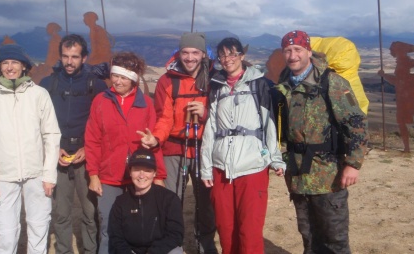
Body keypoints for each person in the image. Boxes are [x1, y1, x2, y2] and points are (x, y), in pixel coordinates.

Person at [276, 30, 368, 254]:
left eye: (298, 49)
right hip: (297, 174)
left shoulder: (331, 81)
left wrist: (353, 164)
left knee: (334, 238)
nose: (292, 55)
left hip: (328, 175)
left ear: (308, 51)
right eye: (287, 51)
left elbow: (355, 122)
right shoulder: (284, 82)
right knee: (308, 236)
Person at [200, 37, 286, 254]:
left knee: (249, 229)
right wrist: (205, 166)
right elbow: (211, 129)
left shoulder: (260, 84)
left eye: (232, 54)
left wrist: (275, 158)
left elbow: (269, 125)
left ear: (242, 55)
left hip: (252, 166)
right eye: (222, 55)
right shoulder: (217, 86)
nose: (227, 59)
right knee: (226, 229)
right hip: (221, 168)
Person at [0, 44, 61, 253]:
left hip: (37, 173)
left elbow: (51, 135)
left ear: (24, 66)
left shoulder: (39, 95)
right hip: (4, 175)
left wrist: (49, 174)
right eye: (5, 63)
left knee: (39, 226)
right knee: (6, 232)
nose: (10, 67)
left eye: (14, 62)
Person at [138, 32, 218, 254]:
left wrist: (206, 112)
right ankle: (173, 247)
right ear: (179, 53)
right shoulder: (168, 80)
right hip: (174, 148)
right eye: (185, 52)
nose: (190, 57)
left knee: (206, 205)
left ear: (203, 54)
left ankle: (206, 247)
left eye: (195, 52)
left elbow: (223, 114)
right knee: (172, 202)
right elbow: (164, 116)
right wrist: (156, 138)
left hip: (205, 148)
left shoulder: (214, 78)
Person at [84, 52, 167, 254]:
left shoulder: (146, 103)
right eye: (115, 76)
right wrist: (94, 175)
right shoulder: (100, 101)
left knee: (137, 226)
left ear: (133, 79)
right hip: (108, 176)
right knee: (108, 226)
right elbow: (92, 140)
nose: (118, 81)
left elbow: (152, 143)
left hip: (138, 176)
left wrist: (159, 176)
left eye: (124, 77)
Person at [40, 34, 107, 254]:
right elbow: (38, 121)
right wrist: (53, 147)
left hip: (86, 156)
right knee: (61, 213)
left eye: (75, 57)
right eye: (66, 56)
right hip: (57, 155)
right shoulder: (48, 84)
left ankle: (90, 250)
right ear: (60, 56)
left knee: (90, 212)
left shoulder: (95, 85)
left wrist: (88, 148)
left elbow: (102, 122)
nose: (69, 62)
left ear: (84, 58)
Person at [109, 148, 184, 254]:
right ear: (130, 172)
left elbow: (176, 234)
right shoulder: (120, 202)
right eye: (136, 169)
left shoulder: (169, 199)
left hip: (160, 251)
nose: (141, 175)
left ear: (154, 173)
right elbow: (116, 236)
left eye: (147, 170)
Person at [378, 41, 414, 152]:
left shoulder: (407, 61)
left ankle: (407, 148)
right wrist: (384, 75)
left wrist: (413, 78)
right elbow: (398, 81)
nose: (393, 52)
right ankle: (406, 148)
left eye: (395, 50)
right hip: (403, 95)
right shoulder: (401, 62)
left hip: (410, 95)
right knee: (403, 121)